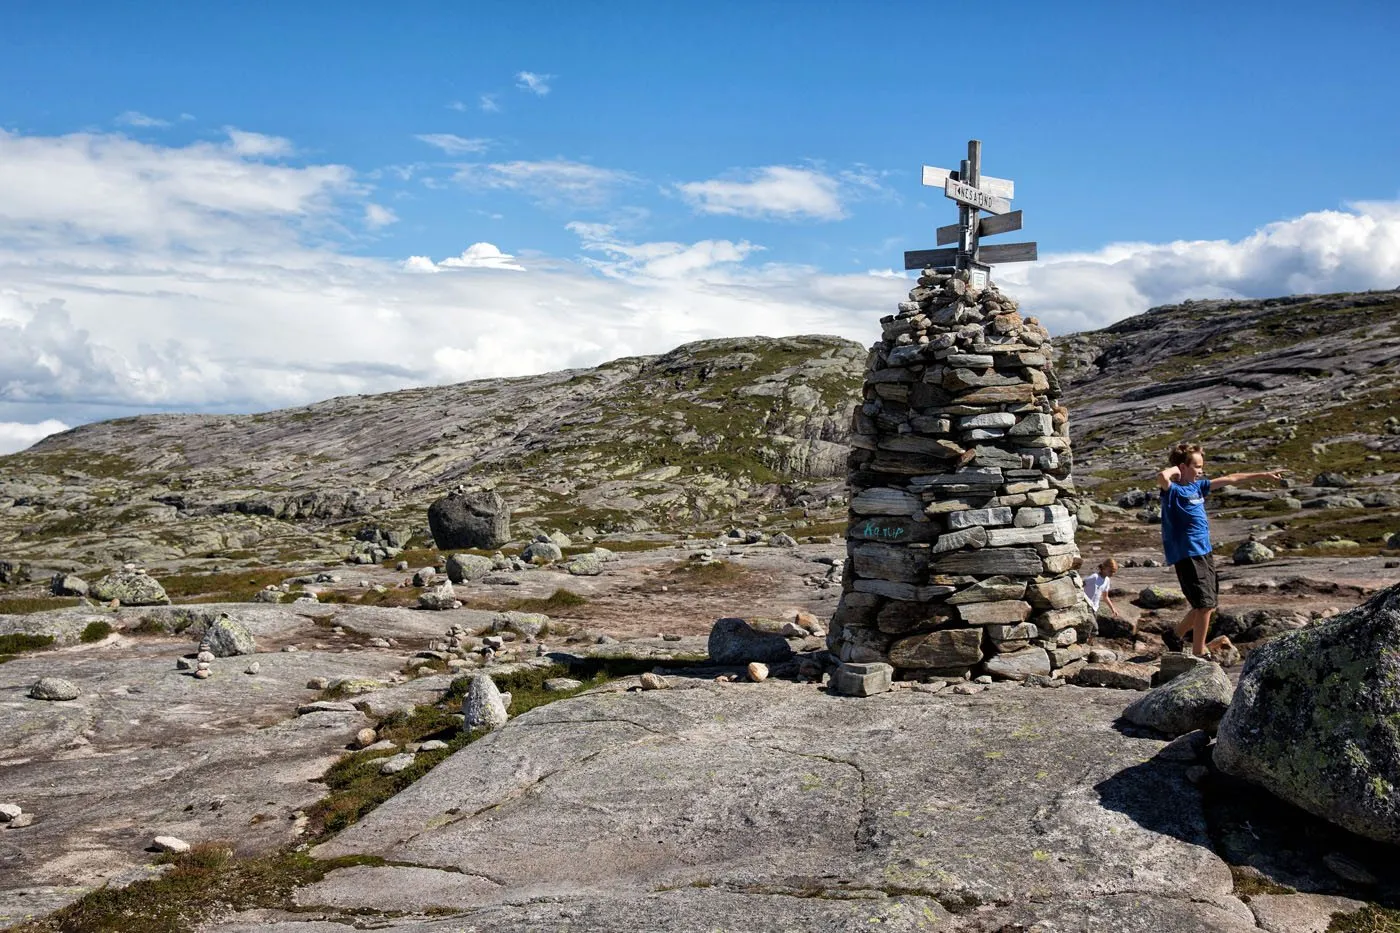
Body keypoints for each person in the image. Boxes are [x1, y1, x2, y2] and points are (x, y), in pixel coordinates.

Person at [1157, 443, 1284, 657]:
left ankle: (1175, 635)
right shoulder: (1173, 492)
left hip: (1204, 551)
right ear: (1183, 467)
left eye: (1201, 466)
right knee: (1204, 604)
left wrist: (1263, 474)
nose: (1201, 470)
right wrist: (1175, 471)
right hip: (1188, 553)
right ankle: (1199, 651)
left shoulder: (1198, 488)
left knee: (1209, 604)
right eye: (1196, 466)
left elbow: (1232, 478)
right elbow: (1162, 476)